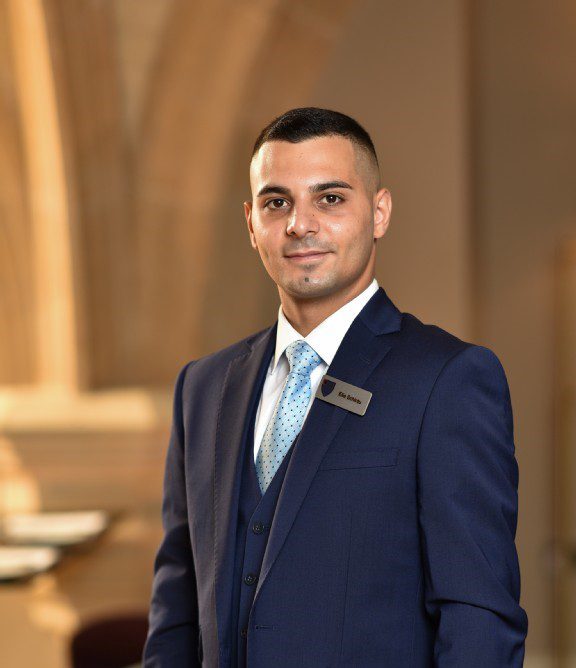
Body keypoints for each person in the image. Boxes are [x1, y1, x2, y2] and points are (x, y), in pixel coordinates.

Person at [142, 107, 528, 667]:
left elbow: (478, 619)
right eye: (277, 203)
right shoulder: (201, 388)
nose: (301, 224)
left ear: (378, 213)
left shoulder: (449, 380)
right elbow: (176, 607)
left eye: (330, 198)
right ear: (251, 223)